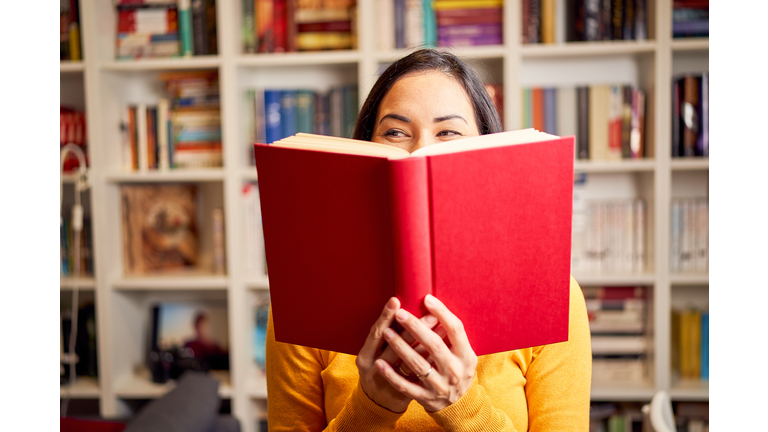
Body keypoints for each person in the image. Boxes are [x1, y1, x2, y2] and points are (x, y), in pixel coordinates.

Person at [266, 48, 591, 431]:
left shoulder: (555, 299)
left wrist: (460, 403)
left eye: (448, 132)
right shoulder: (306, 303)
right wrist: (372, 406)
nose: (420, 151)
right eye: (395, 132)